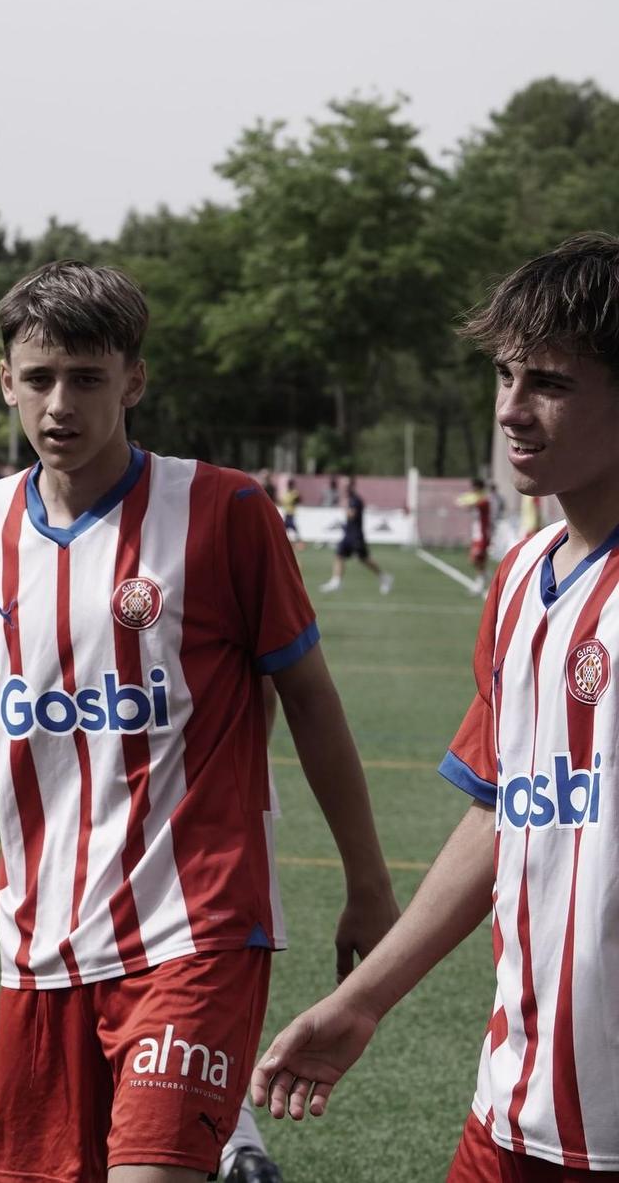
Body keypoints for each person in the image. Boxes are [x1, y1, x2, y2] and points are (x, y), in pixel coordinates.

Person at [0, 261, 399, 1183]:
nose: (59, 403)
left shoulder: (224, 510)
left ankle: (222, 1134)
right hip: (39, 940)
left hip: (197, 921)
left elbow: (312, 700)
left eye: (86, 376)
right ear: (6, 382)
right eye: (38, 378)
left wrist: (367, 880)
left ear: (134, 381)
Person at [251, 233, 619, 1181]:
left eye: (552, 383)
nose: (511, 408)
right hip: (514, 1105)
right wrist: (366, 998)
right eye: (503, 375)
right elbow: (503, 809)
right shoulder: (523, 577)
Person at [318, 475, 393, 594]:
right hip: (348, 535)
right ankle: (336, 582)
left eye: (347, 485)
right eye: (343, 485)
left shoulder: (356, 500)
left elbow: (352, 515)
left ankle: (384, 577)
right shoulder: (350, 499)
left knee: (363, 559)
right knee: (339, 555)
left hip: (356, 536)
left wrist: (343, 507)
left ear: (352, 486)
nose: (344, 488)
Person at [457, 476, 495, 591]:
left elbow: (471, 505)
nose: (472, 489)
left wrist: (462, 502)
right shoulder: (477, 498)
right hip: (477, 533)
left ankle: (483, 580)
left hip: (483, 534)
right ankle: (486, 579)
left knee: (475, 558)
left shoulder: (484, 499)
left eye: (474, 487)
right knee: (478, 560)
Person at [280, 477, 305, 552]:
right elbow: (283, 501)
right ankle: (294, 543)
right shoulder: (286, 493)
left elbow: (299, 500)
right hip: (287, 514)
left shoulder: (294, 493)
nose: (290, 485)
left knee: (292, 529)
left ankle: (299, 544)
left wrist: (296, 500)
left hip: (291, 514)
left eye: (291, 484)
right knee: (286, 530)